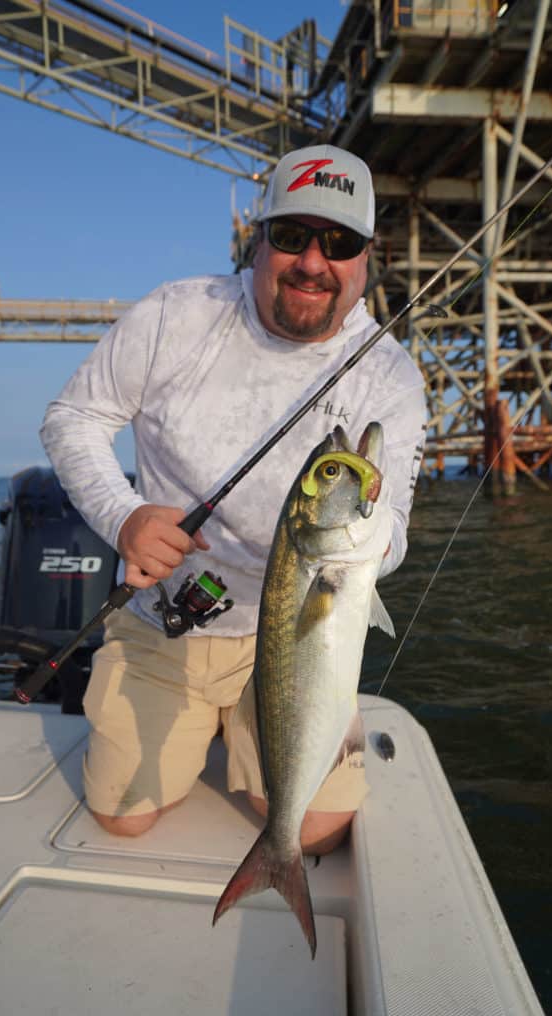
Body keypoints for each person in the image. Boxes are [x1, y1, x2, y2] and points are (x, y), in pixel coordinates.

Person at [40, 143, 427, 855]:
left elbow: (394, 535)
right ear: (258, 242)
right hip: (166, 623)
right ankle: (203, 729)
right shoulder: (173, 315)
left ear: (367, 260)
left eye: (339, 242)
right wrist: (123, 517)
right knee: (123, 819)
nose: (313, 261)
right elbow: (73, 418)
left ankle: (243, 744)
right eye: (292, 236)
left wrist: (369, 538)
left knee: (313, 834)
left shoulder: (392, 380)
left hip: (289, 641)